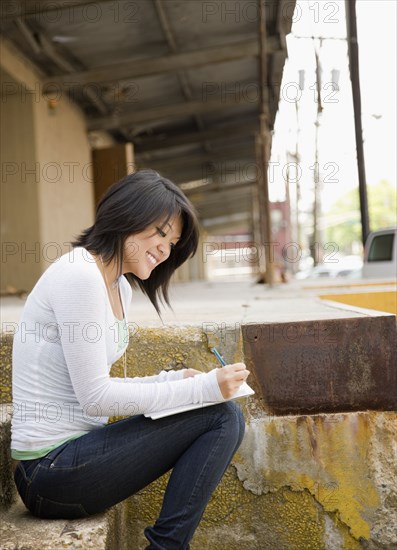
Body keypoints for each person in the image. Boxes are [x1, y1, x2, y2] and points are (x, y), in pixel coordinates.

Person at [11, 169, 249, 550]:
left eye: (171, 242)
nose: (165, 249)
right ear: (126, 216)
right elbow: (96, 397)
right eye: (159, 232)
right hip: (48, 472)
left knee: (221, 412)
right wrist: (201, 388)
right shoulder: (79, 275)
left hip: (78, 454)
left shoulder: (119, 286)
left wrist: (176, 382)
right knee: (220, 415)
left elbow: (98, 388)